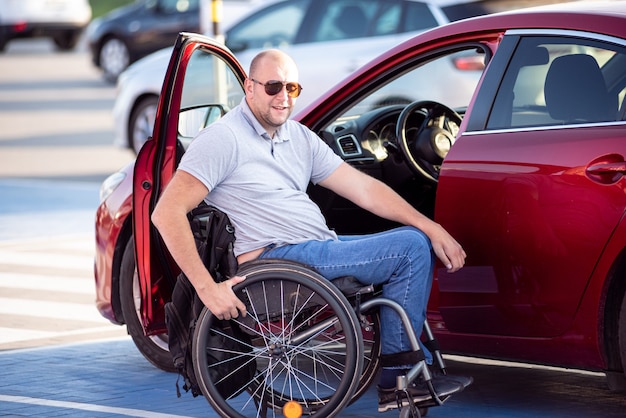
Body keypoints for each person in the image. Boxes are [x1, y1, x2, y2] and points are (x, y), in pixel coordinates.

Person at [152, 49, 472, 412]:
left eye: (291, 87)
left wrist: (430, 225)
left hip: (315, 251)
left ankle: (407, 365)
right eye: (273, 86)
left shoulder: (298, 137)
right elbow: (167, 212)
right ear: (249, 87)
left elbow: (364, 189)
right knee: (409, 249)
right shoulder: (223, 139)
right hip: (276, 262)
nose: (282, 96)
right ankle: (400, 375)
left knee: (416, 239)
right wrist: (206, 289)